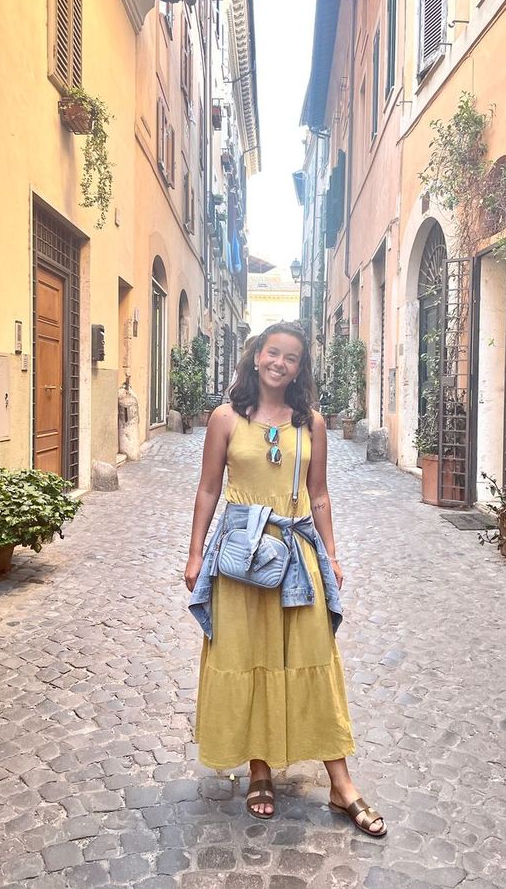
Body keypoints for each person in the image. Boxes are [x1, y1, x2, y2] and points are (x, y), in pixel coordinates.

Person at [185, 321, 386, 837]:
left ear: (300, 367)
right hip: (240, 557)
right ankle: (260, 771)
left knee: (313, 655)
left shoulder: (310, 422)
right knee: (247, 656)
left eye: (291, 357)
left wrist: (332, 555)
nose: (280, 363)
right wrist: (194, 556)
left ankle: (341, 785)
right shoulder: (225, 419)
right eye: (273, 353)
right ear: (256, 357)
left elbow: (318, 494)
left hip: (296, 550)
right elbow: (208, 490)